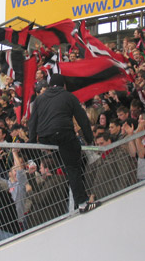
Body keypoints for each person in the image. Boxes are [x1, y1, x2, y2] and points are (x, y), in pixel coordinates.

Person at [28, 74, 100, 213]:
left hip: (46, 138)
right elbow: (82, 118)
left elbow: (32, 122)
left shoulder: (40, 99)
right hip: (63, 134)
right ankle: (82, 202)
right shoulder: (69, 96)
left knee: (67, 168)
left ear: (49, 86)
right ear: (64, 85)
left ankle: (75, 199)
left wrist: (32, 143)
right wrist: (90, 138)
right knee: (73, 167)